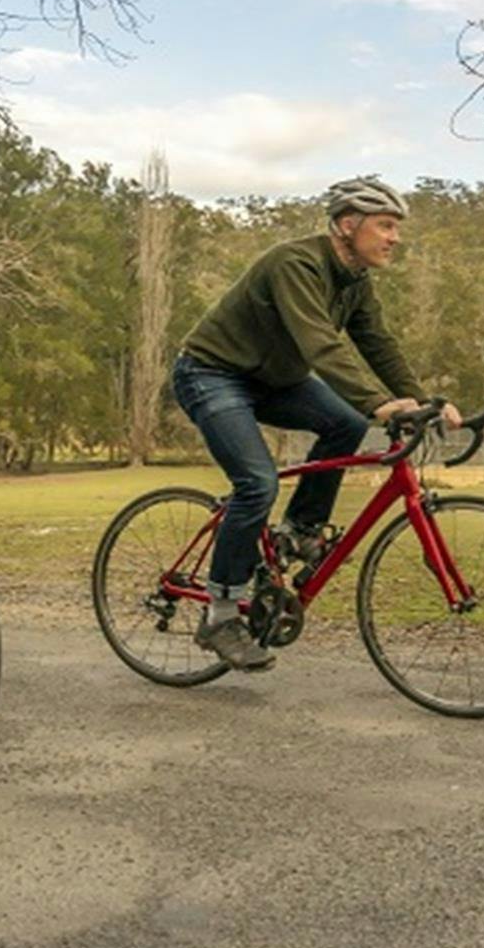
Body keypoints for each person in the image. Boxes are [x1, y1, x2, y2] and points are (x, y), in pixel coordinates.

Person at [173, 175, 460, 671]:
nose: (395, 237)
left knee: (344, 424)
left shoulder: (355, 282)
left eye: (397, 227)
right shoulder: (296, 264)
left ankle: (300, 528)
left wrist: (421, 400)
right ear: (348, 225)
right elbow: (319, 345)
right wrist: (378, 402)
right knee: (257, 484)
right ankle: (220, 615)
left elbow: (377, 343)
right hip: (212, 372)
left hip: (273, 380)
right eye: (385, 225)